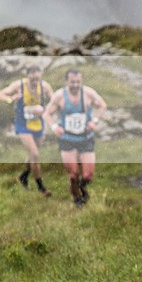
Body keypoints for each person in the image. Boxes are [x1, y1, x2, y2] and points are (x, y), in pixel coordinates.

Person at [43, 69, 107, 207]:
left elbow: (102, 106)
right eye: (72, 82)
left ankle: (83, 188)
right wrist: (54, 127)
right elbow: (47, 113)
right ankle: (77, 199)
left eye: (78, 82)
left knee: (88, 175)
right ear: (66, 81)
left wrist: (94, 121)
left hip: (85, 138)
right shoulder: (59, 96)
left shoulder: (88, 93)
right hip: (67, 139)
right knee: (73, 175)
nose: (76, 85)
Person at [0, 65, 54, 196]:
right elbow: (0, 94)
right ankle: (41, 188)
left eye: (37, 79)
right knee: (35, 154)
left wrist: (44, 110)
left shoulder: (45, 86)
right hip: (22, 124)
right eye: (32, 79)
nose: (35, 81)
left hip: (38, 123)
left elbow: (54, 101)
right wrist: (11, 99)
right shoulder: (19, 85)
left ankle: (24, 176)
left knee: (33, 154)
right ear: (27, 76)